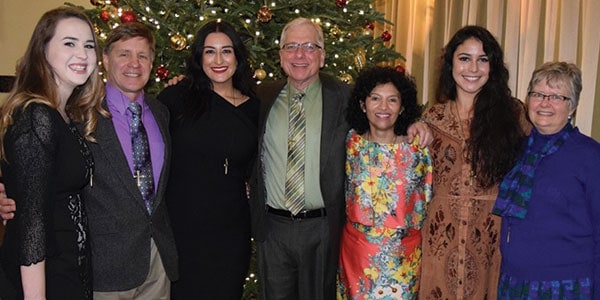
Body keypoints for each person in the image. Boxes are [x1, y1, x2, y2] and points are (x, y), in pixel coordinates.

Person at [249, 17, 431, 300]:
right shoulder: (260, 97)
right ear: (281, 55)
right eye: (291, 46)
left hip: (322, 229)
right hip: (274, 230)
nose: (300, 55)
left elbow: (381, 114)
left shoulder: (345, 98)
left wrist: (413, 123)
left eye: (309, 47)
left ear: (322, 56)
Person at [0, 22, 179, 299]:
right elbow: (31, 163)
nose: (134, 63)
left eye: (143, 56)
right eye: (124, 54)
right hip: (101, 267)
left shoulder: (162, 112)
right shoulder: (77, 110)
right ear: (105, 60)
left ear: (153, 63)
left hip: (158, 262)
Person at [0, 6, 105, 299]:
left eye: (89, 46)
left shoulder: (64, 115)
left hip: (70, 270)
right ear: (42, 51)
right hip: (44, 279)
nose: (82, 54)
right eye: (69, 43)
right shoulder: (37, 116)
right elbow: (30, 224)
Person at [418, 25, 530, 300]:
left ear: (493, 67)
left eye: (483, 59)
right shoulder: (431, 118)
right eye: (464, 58)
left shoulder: (514, 115)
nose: (473, 68)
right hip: (439, 238)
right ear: (451, 63)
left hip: (491, 236)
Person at [157, 20, 258, 299]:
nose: (218, 60)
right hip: (183, 226)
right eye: (209, 51)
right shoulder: (177, 97)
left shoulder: (256, 106)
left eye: (226, 51)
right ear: (199, 57)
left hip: (231, 229)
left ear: (237, 56)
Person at [493, 62, 600, 299]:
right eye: (538, 94)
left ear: (572, 106)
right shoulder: (515, 150)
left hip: (566, 286)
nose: (544, 103)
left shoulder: (590, 156)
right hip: (514, 282)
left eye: (556, 97)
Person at [336, 66, 433, 299]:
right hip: (357, 254)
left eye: (392, 100)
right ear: (363, 104)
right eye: (375, 99)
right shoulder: (351, 143)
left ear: (402, 107)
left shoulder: (417, 149)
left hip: (403, 258)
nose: (383, 107)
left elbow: (428, 199)